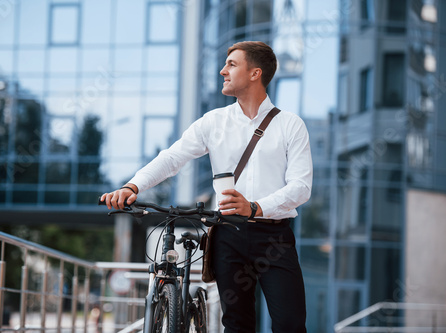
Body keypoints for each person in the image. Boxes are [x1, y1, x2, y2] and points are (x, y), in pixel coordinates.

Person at [101, 41, 312, 332]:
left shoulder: (291, 125)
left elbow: (301, 186)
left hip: (274, 237)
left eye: (232, 64)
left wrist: (255, 207)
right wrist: (133, 186)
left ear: (255, 73)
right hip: (228, 235)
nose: (223, 70)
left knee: (290, 322)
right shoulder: (214, 122)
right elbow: (172, 158)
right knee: (237, 323)